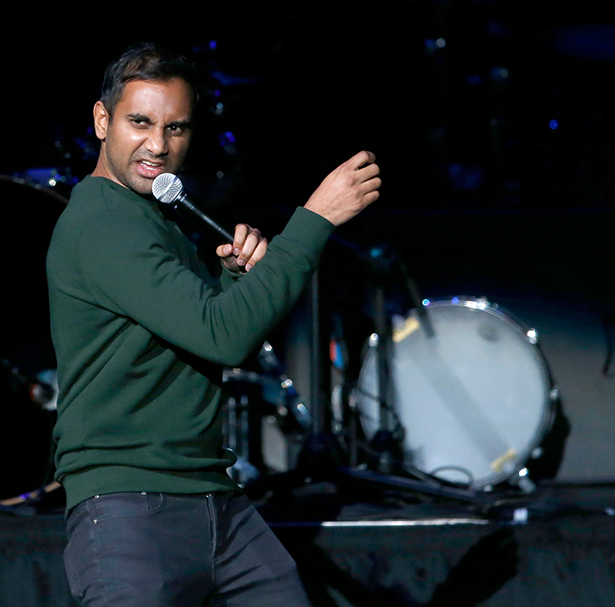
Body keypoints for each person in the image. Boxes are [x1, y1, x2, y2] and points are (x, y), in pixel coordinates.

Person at [46, 42, 380, 606]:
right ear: (102, 121)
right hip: (131, 506)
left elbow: (220, 342)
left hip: (214, 500)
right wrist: (315, 221)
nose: (158, 145)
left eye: (176, 128)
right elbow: (223, 337)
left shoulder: (150, 219)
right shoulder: (103, 224)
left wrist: (230, 282)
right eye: (140, 122)